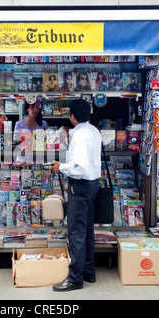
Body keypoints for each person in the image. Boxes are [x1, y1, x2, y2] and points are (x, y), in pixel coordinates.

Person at [50, 99, 101, 292]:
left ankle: (75, 278)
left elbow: (79, 167)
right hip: (92, 184)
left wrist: (60, 167)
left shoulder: (79, 135)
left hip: (80, 186)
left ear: (72, 115)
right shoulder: (94, 131)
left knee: (76, 232)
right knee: (87, 230)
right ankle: (89, 271)